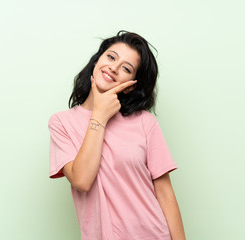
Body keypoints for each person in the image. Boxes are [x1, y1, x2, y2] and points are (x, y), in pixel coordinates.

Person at [48, 30, 186, 240]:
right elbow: (82, 180)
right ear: (97, 60)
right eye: (111, 57)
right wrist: (100, 117)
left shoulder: (144, 123)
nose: (113, 67)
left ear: (131, 85)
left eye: (126, 68)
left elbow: (166, 195)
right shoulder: (61, 123)